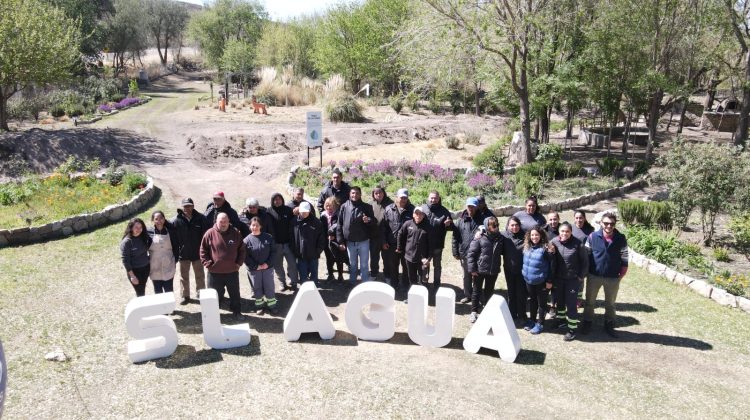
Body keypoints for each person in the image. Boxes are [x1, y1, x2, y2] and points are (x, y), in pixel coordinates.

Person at [582, 212, 628, 337]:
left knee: (610, 303)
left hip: (612, 278)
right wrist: (585, 272)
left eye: (611, 224)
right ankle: (587, 321)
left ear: (615, 224)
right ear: (601, 223)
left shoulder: (621, 238)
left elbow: (624, 258)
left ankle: (609, 323)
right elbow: (587, 256)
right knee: (590, 302)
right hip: (594, 276)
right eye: (606, 223)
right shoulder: (592, 237)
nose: (609, 226)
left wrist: (621, 275)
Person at [200, 213, 246, 317]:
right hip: (214, 273)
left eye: (225, 221)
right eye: (221, 221)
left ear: (229, 221)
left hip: (232, 272)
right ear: (216, 221)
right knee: (214, 295)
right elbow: (203, 250)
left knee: (235, 294)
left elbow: (242, 250)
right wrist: (208, 264)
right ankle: (214, 315)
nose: (223, 224)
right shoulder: (209, 233)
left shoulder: (236, 233)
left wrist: (238, 263)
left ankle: (237, 312)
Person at [550, 222, 589, 341]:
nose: (564, 234)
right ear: (559, 232)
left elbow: (585, 262)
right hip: (558, 279)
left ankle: (572, 329)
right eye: (562, 231)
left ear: (571, 232)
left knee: (571, 305)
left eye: (567, 231)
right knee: (560, 302)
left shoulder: (578, 244)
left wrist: (581, 277)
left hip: (572, 280)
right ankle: (561, 321)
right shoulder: (554, 242)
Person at [171, 198, 208, 304]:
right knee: (183, 276)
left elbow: (205, 236)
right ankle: (185, 296)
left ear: (193, 206)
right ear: (182, 207)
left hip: (197, 253)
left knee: (200, 275)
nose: (187, 208)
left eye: (189, 206)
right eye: (185, 206)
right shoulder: (175, 220)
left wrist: (204, 251)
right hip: (183, 253)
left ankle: (201, 293)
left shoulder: (201, 218)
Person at [466, 216, 503, 323]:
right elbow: (471, 254)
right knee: (476, 291)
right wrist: (472, 269)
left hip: (493, 270)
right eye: (493, 225)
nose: (496, 227)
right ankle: (474, 311)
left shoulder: (500, 238)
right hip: (479, 270)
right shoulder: (479, 237)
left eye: (497, 225)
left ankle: (487, 310)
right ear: (487, 226)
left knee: (489, 291)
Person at [337, 186, 375, 285]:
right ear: (350, 194)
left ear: (360, 194)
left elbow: (374, 222)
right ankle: (353, 282)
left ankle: (364, 283)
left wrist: (369, 220)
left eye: (357, 193)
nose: (355, 195)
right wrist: (340, 241)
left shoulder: (367, 207)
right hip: (350, 242)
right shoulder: (344, 206)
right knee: (352, 264)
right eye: (353, 193)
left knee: (364, 264)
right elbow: (339, 224)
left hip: (363, 241)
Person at [522, 226, 555, 335]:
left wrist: (549, 281)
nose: (534, 237)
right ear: (529, 236)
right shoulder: (528, 247)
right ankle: (532, 320)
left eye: (536, 235)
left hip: (541, 281)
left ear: (541, 236)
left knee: (542, 303)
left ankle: (540, 323)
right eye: (532, 235)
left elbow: (551, 266)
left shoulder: (546, 249)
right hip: (529, 280)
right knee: (532, 300)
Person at [396, 205, 432, 302]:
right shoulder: (408, 224)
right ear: (413, 214)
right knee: (412, 279)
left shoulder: (428, 227)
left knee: (422, 280)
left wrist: (428, 259)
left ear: (423, 215)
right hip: (409, 257)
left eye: (420, 214)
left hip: (422, 260)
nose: (418, 216)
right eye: (416, 213)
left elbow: (431, 244)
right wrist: (399, 248)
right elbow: (400, 234)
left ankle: (422, 299)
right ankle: (412, 298)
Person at [452, 197, 484, 303]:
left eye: (473, 206)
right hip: (464, 253)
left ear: (477, 207)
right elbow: (455, 237)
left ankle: (476, 296)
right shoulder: (460, 221)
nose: (471, 208)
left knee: (477, 276)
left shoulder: (482, 220)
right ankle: (468, 295)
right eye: (469, 206)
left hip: (479, 254)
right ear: (466, 206)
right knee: (466, 276)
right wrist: (455, 251)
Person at [243, 217, 278, 315]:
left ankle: (272, 305)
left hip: (268, 268)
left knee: (269, 287)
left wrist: (267, 264)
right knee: (257, 288)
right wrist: (255, 266)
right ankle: (260, 306)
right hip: (254, 270)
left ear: (260, 226)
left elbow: (273, 252)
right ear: (250, 226)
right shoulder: (246, 241)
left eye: (257, 225)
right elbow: (245, 257)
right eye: (253, 225)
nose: (255, 227)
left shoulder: (268, 237)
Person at [382, 188, 414, 288]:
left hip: (407, 245)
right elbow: (383, 227)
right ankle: (394, 284)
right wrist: (384, 241)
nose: (403, 200)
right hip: (392, 244)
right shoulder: (388, 209)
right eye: (401, 197)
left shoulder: (412, 210)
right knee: (393, 266)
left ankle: (405, 285)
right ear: (397, 197)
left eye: (405, 197)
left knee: (406, 267)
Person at [268, 192, 299, 291]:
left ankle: (294, 282)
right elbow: (257, 211)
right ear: (272, 201)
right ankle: (282, 283)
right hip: (276, 244)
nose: (277, 201)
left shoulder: (288, 210)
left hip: (288, 244)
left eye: (279, 199)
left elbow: (297, 219)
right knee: (278, 266)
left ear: (282, 200)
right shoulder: (268, 211)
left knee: (292, 264)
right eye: (275, 200)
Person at [292, 202, 326, 285]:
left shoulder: (317, 222)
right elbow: (291, 237)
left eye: (306, 211)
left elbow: (321, 239)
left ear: (310, 211)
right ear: (299, 211)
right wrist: (295, 250)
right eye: (302, 211)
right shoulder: (294, 222)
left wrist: (317, 251)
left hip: (313, 255)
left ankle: (314, 292)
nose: (304, 213)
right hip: (301, 255)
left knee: (314, 276)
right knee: (303, 277)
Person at [425, 191, 453, 290]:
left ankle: (437, 284)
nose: (433, 200)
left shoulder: (444, 211)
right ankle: (424, 283)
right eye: (432, 198)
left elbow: (451, 226)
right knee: (424, 264)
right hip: (425, 243)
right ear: (428, 198)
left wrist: (448, 225)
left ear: (439, 198)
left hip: (438, 244)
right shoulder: (423, 209)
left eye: (435, 198)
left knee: (437, 266)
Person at [147, 210, 179, 294]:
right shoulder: (148, 233)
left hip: (169, 265)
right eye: (156, 219)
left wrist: (174, 261)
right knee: (158, 292)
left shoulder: (170, 231)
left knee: (169, 291)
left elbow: (176, 247)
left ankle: (171, 307)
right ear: (153, 220)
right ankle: (160, 307)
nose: (159, 221)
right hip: (155, 266)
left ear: (164, 219)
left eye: (161, 218)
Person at [502, 216, 526, 322]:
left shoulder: (526, 236)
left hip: (522, 269)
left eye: (517, 225)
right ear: (508, 226)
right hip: (509, 269)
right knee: (511, 292)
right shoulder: (503, 236)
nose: (515, 227)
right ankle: (512, 314)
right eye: (512, 225)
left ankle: (522, 314)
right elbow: (490, 233)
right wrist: (480, 232)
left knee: (521, 293)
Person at [120, 218, 152, 297]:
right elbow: (125, 260)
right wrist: (132, 276)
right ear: (131, 228)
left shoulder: (143, 237)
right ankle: (142, 308)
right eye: (136, 227)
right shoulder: (127, 242)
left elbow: (149, 243)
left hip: (146, 268)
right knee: (140, 292)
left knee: (142, 288)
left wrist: (148, 258)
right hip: (135, 271)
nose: (139, 229)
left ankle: (143, 307)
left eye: (140, 227)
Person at [571, 209, 595, 306]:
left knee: (580, 281)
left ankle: (578, 299)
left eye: (581, 218)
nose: (579, 220)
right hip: (572, 259)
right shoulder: (570, 228)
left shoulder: (590, 230)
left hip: (584, 260)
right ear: (574, 219)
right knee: (571, 280)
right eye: (577, 218)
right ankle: (570, 297)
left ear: (584, 218)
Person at [369, 186, 393, 280]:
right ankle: (374, 274)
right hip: (373, 236)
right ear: (373, 194)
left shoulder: (390, 204)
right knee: (374, 258)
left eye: (380, 192)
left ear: (384, 193)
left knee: (386, 258)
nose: (378, 195)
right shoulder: (370, 204)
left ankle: (387, 275)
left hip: (386, 237)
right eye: (376, 193)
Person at [321, 196, 346, 282]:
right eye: (327, 206)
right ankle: (331, 275)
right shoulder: (323, 215)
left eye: (331, 206)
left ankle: (340, 275)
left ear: (335, 206)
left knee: (339, 258)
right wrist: (325, 237)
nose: (329, 208)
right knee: (329, 259)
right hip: (326, 241)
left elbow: (340, 227)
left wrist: (334, 235)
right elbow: (322, 228)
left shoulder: (338, 215)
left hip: (336, 240)